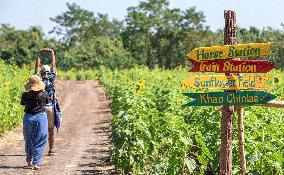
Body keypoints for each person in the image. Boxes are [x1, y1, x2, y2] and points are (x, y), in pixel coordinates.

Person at [21, 75, 49, 170]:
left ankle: (29, 159)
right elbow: (47, 103)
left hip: (28, 117)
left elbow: (23, 103)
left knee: (28, 139)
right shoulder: (44, 94)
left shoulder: (25, 95)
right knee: (41, 139)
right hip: (41, 117)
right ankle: (36, 163)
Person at [35, 48, 57, 156]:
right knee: (51, 129)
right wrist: (52, 53)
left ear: (42, 72)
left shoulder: (38, 78)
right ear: (48, 72)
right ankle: (51, 149)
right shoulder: (52, 77)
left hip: (39, 108)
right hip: (50, 107)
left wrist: (38, 55)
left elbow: (37, 67)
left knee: (39, 130)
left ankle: (38, 150)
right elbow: (53, 65)